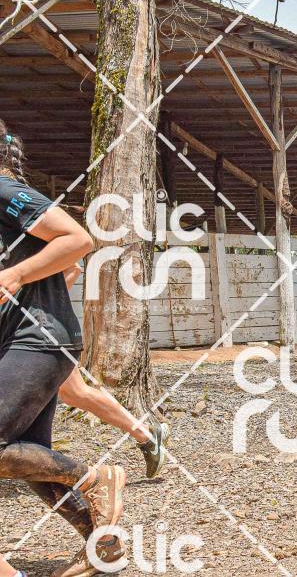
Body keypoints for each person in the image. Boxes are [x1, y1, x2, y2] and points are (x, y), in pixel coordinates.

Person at [0, 123, 127, 577]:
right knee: (31, 460)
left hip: (40, 339)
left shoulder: (4, 190)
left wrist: (16, 275)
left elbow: (78, 240)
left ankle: (94, 477)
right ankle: (102, 547)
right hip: (28, 342)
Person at [57, 264, 170, 479]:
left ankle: (146, 436)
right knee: (72, 393)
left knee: (75, 392)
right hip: (20, 333)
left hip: (40, 333)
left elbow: (72, 268)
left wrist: (39, 307)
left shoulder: (23, 248)